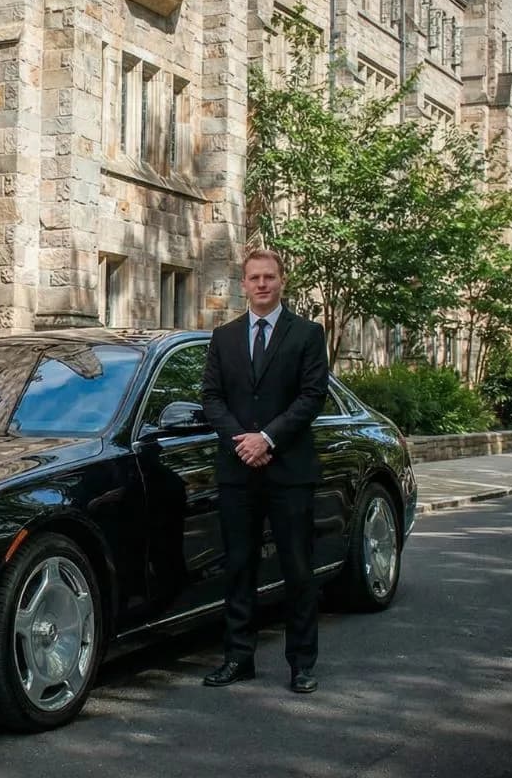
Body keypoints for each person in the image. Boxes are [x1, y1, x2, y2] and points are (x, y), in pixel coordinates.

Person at [199, 248, 329, 694]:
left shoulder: (308, 334)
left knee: (297, 569)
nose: (261, 284)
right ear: (243, 284)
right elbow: (211, 398)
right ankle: (238, 659)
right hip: (238, 472)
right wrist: (243, 441)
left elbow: (311, 397)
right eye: (253, 277)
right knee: (239, 567)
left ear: (282, 281)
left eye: (269, 277)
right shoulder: (225, 337)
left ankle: (302, 664)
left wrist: (267, 439)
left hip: (289, 470)